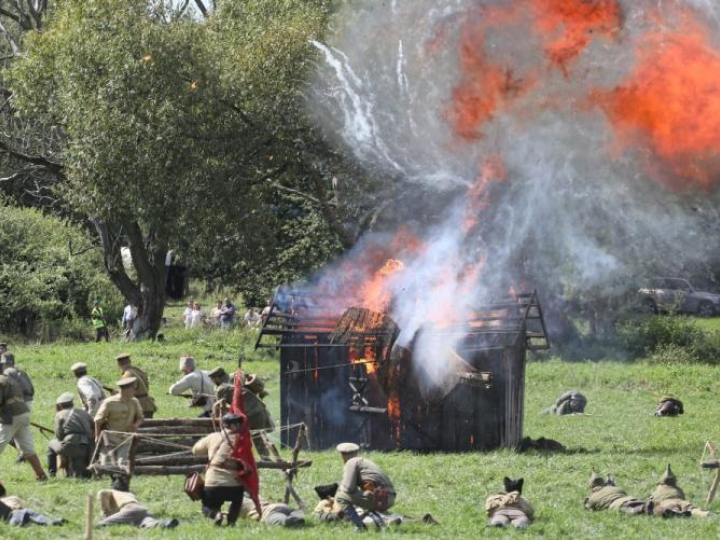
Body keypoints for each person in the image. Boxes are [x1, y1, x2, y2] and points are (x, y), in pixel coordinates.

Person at [192, 413, 246, 526]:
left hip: (212, 484)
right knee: (238, 499)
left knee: (207, 506)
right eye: (237, 424)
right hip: (234, 486)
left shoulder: (213, 436)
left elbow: (195, 450)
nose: (240, 426)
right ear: (231, 426)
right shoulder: (242, 439)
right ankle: (231, 521)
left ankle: (216, 514)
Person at [208, 367, 273, 456]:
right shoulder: (234, 378)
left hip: (249, 414)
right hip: (259, 409)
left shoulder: (221, 389)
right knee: (259, 437)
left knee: (243, 437)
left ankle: (250, 459)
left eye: (212, 379)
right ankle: (267, 458)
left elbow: (222, 406)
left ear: (217, 378)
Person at [334, 442, 396, 531]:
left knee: (340, 497)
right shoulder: (364, 462)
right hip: (387, 497)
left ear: (342, 454)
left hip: (380, 498)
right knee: (357, 498)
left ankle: (360, 527)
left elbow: (349, 488)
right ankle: (383, 519)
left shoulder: (351, 462)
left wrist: (341, 489)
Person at [0, 368, 47, 479]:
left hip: (11, 416)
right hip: (23, 414)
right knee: (28, 449)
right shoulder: (8, 379)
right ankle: (41, 475)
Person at [94, 376, 144, 467]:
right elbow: (98, 420)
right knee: (107, 465)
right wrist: (97, 436)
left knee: (123, 463)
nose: (135, 391)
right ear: (126, 390)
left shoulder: (134, 401)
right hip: (109, 439)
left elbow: (140, 417)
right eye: (134, 389)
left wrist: (135, 425)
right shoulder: (109, 402)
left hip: (126, 437)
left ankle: (121, 479)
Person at [47, 392, 94, 478]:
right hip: (86, 448)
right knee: (80, 475)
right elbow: (92, 427)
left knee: (51, 444)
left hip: (70, 445)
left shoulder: (60, 414)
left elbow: (59, 435)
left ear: (60, 406)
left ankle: (51, 473)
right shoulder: (84, 413)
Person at [97, 487, 179, 529]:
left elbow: (102, 493)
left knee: (103, 524)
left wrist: (105, 512)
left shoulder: (110, 491)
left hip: (130, 509)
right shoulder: (127, 494)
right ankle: (166, 523)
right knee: (147, 523)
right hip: (142, 509)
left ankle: (95, 526)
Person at [0, 480, 65, 527]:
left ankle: (50, 522)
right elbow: (27, 503)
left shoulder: (11, 498)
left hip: (13, 515)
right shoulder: (13, 497)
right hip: (17, 513)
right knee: (36, 517)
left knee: (32, 518)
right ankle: (50, 522)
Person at [584, 471, 653, 515]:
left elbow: (588, 508)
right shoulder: (615, 488)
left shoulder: (593, 497)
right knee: (642, 505)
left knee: (634, 510)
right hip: (630, 499)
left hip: (617, 505)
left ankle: (644, 508)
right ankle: (648, 505)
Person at [116, 353, 157, 419]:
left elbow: (126, 392)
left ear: (119, 365)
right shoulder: (138, 371)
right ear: (129, 362)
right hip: (147, 404)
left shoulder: (128, 374)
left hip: (139, 406)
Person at [239, 496, 305, 527]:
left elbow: (231, 515)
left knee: (280, 519)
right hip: (280, 506)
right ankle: (297, 516)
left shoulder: (240, 503)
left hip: (270, 512)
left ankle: (289, 520)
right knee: (292, 512)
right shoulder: (258, 497)